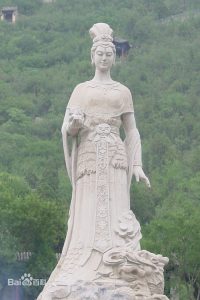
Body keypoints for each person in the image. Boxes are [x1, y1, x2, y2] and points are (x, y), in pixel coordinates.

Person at [37, 23, 150, 300]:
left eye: (108, 54)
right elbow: (67, 129)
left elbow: (132, 130)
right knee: (87, 208)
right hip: (88, 155)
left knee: (115, 209)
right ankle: (83, 264)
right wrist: (74, 125)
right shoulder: (81, 90)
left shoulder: (122, 91)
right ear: (92, 56)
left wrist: (137, 164)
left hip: (113, 155)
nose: (103, 58)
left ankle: (116, 263)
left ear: (114, 57)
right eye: (99, 53)